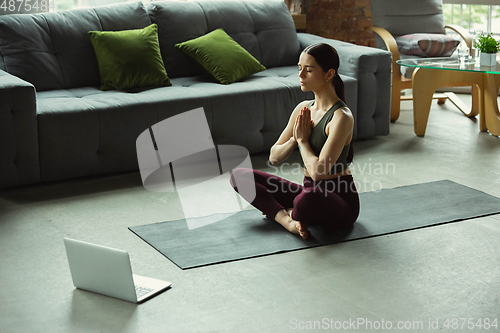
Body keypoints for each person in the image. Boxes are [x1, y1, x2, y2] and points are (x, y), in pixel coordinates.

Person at [230, 43, 359, 239]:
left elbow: (318, 173)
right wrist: (293, 141)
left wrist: (303, 141)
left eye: (308, 70)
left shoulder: (342, 117)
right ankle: (288, 220)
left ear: (329, 74)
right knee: (239, 176)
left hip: (339, 201)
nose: (300, 75)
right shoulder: (303, 108)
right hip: (309, 191)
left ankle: (293, 211)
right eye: (299, 68)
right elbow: (274, 156)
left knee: (307, 199)